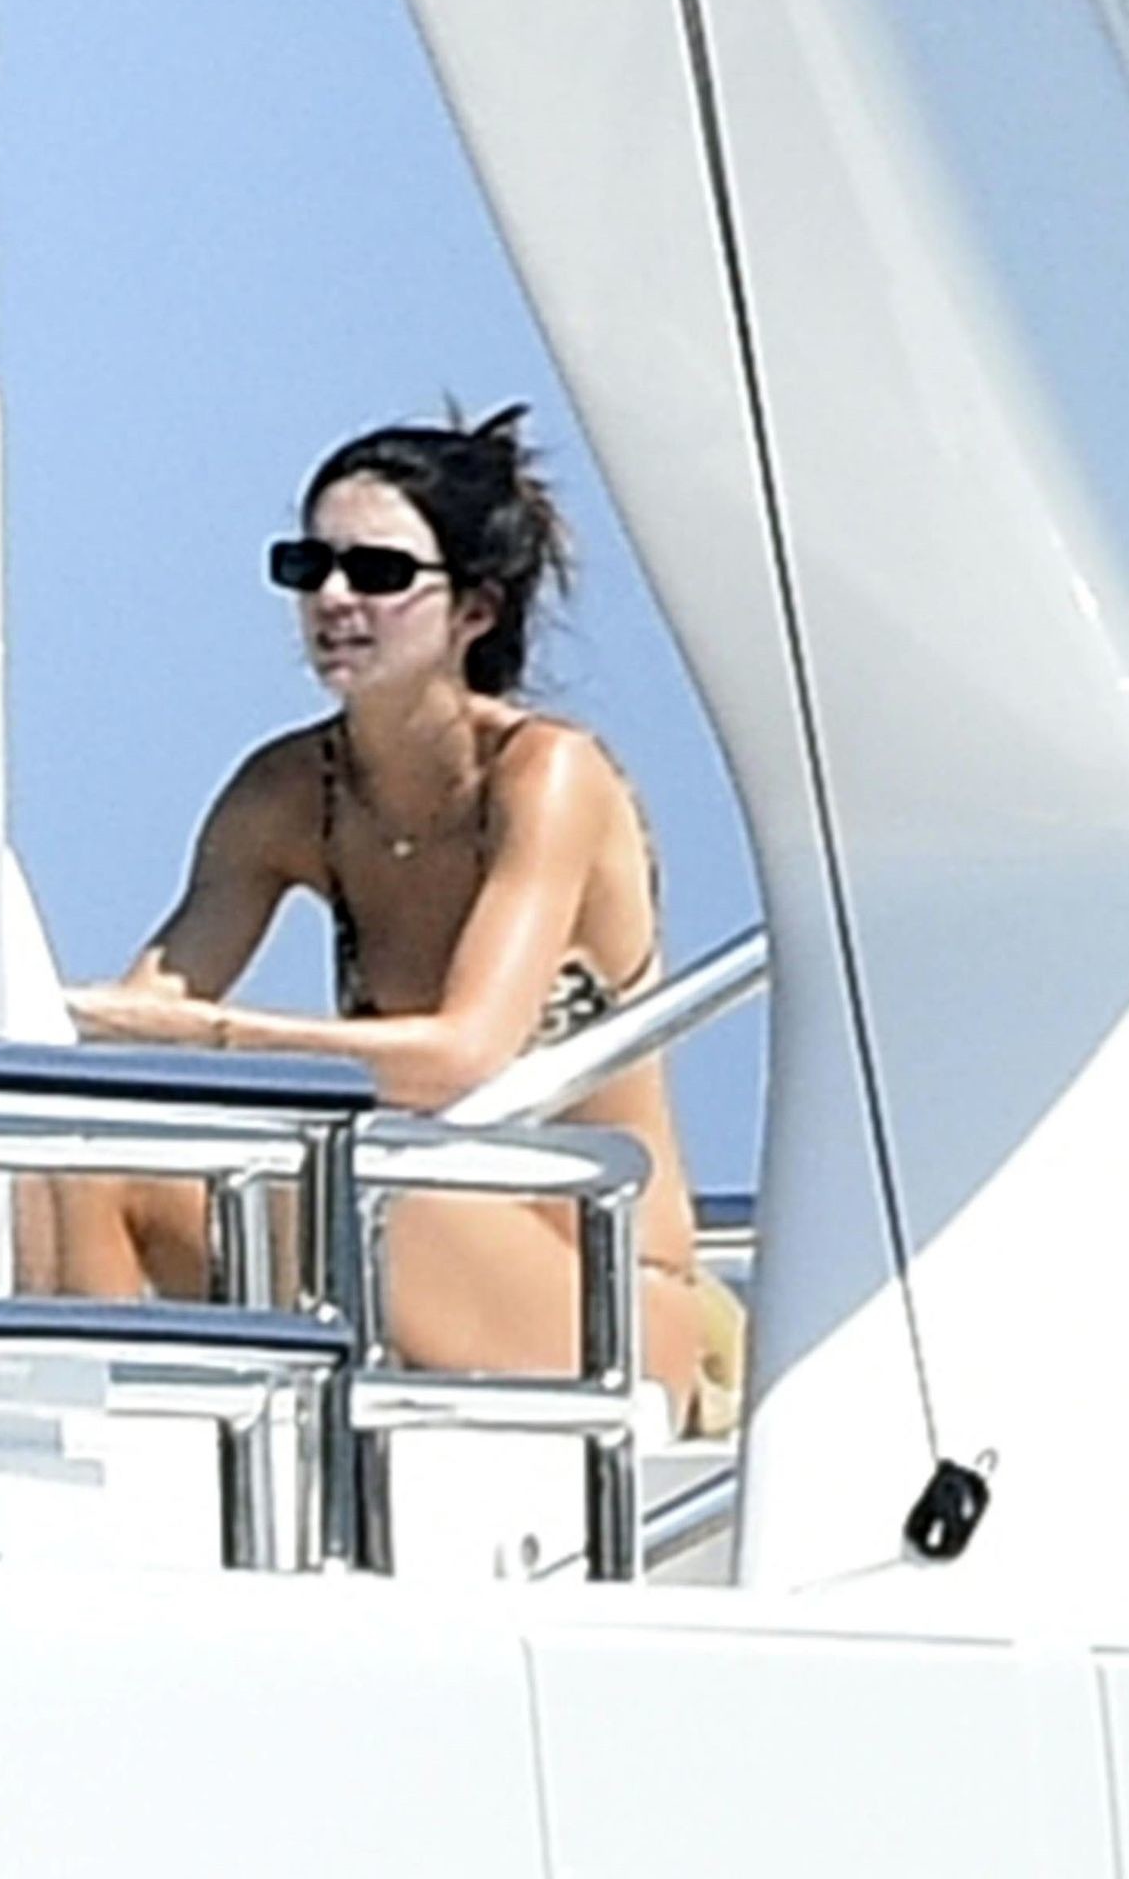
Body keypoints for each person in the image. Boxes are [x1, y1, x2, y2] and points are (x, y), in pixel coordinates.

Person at [63, 405, 741, 1432]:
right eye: (308, 567)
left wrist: (205, 1036)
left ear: (474, 609)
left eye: (376, 573)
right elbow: (143, 1013)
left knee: (311, 1166)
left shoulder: (547, 778)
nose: (333, 598)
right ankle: (88, 1455)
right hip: (403, 1222)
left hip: (605, 1297)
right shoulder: (285, 792)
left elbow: (462, 1056)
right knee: (83, 1154)